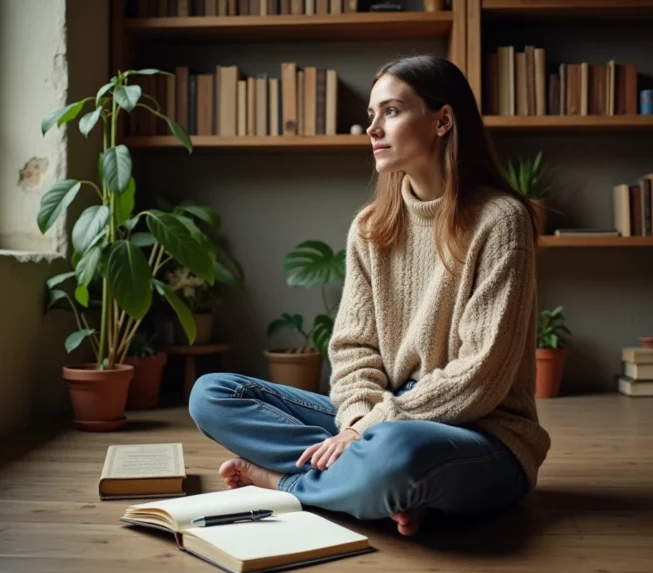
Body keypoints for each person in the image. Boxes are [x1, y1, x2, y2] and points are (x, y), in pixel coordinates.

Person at [188, 54, 551, 537]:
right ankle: (380, 491)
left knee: (398, 454)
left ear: (443, 120)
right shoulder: (370, 228)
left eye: (392, 111)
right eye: (371, 115)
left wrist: (368, 430)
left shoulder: (501, 221)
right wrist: (358, 418)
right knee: (212, 395)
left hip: (484, 434)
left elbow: (481, 376)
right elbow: (352, 348)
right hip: (384, 413)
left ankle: (286, 484)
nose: (373, 129)